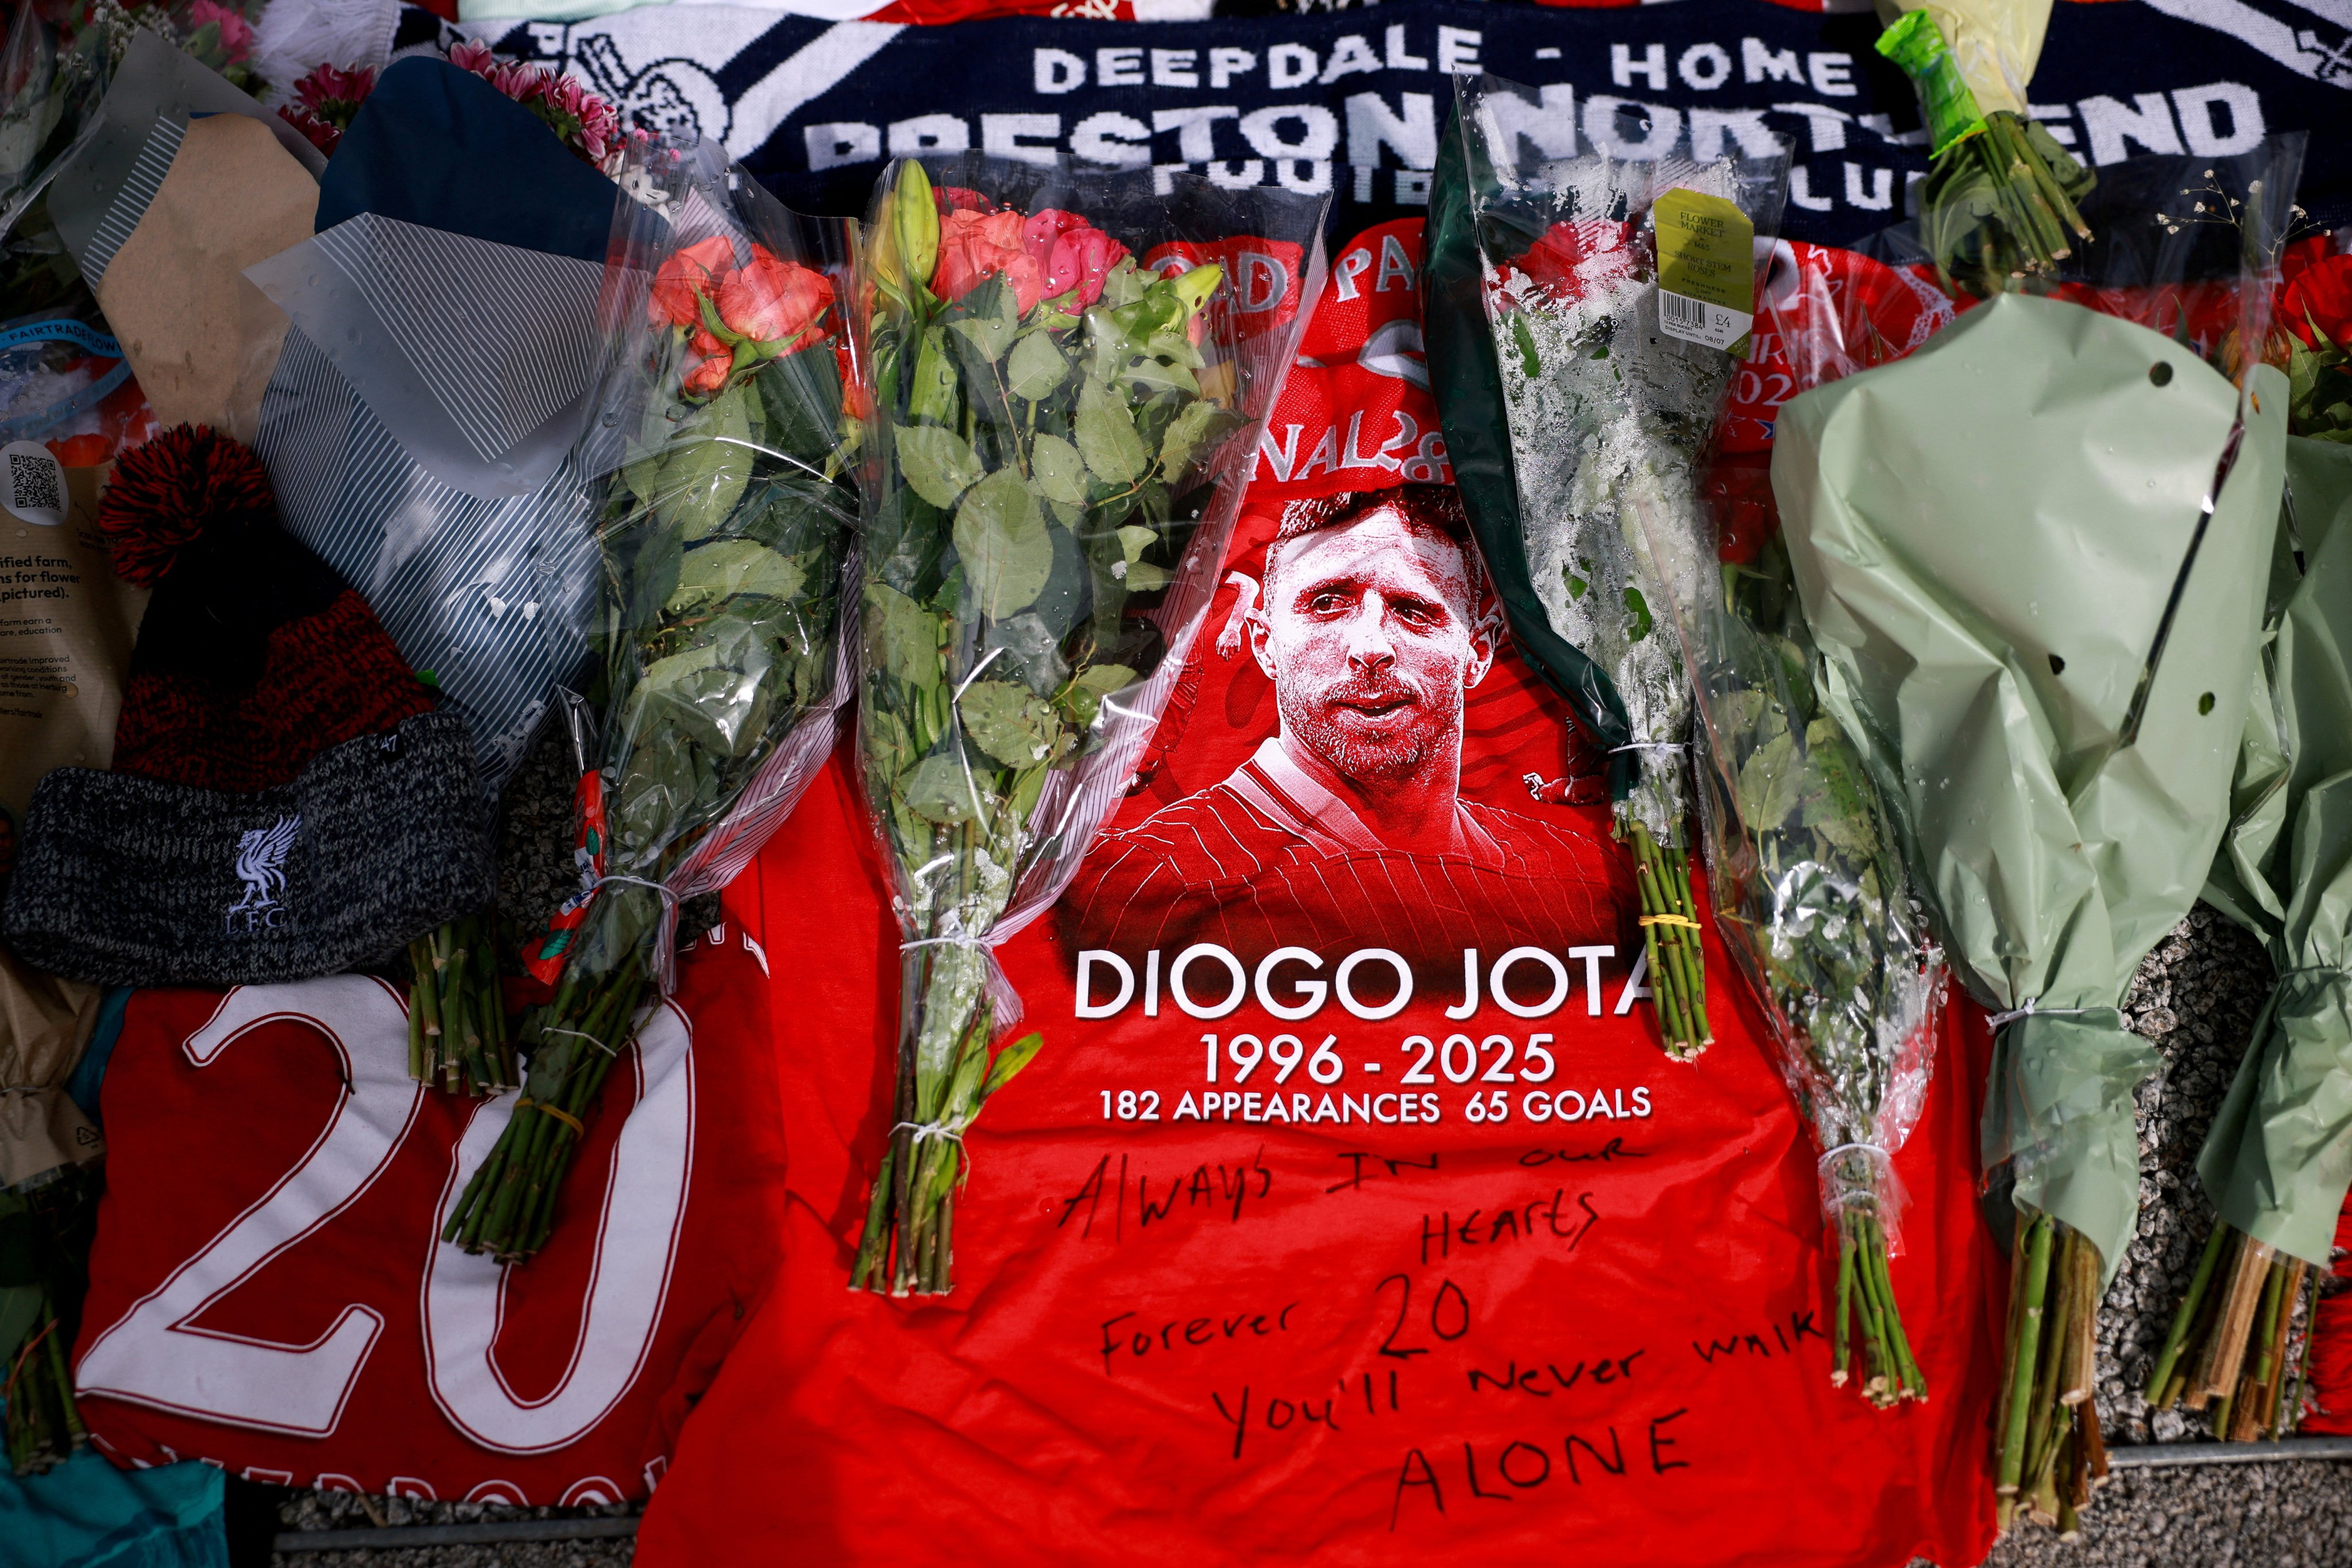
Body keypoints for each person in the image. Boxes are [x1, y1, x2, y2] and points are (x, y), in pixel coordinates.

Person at [1061, 485, 1627, 970]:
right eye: (1327, 603)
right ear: (1265, 645)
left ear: (1477, 651)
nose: (1371, 648)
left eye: (1413, 609)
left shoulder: (1570, 875)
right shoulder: (1134, 887)